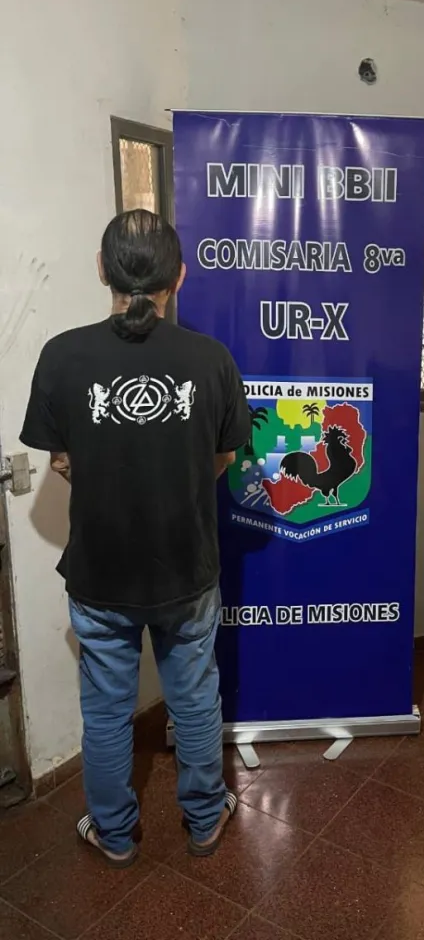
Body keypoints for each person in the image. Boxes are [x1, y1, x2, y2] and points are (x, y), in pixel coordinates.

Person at [20, 209, 251, 866]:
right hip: (188, 569)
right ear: (180, 276)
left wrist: (108, 475)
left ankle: (114, 834)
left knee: (105, 709)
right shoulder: (211, 359)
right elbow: (223, 458)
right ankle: (205, 820)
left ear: (103, 270)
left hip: (100, 572)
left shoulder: (62, 355)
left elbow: (61, 460)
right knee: (196, 700)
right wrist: (177, 475)